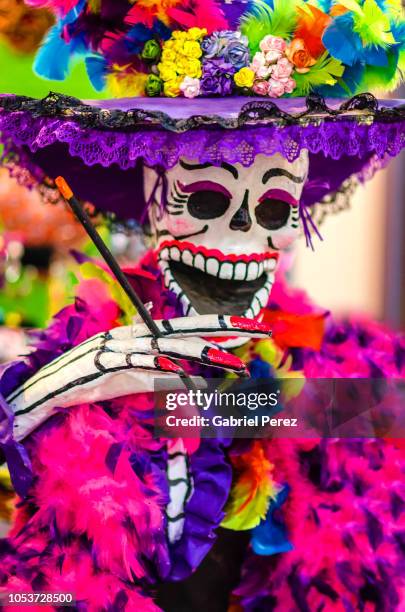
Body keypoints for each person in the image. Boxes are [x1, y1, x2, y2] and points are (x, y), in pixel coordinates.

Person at [0, 0, 404, 609]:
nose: (243, 233)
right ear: (156, 198)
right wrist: (46, 393)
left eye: (272, 207)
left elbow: (367, 418)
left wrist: (211, 403)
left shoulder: (332, 375)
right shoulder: (87, 366)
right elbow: (30, 598)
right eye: (209, 199)